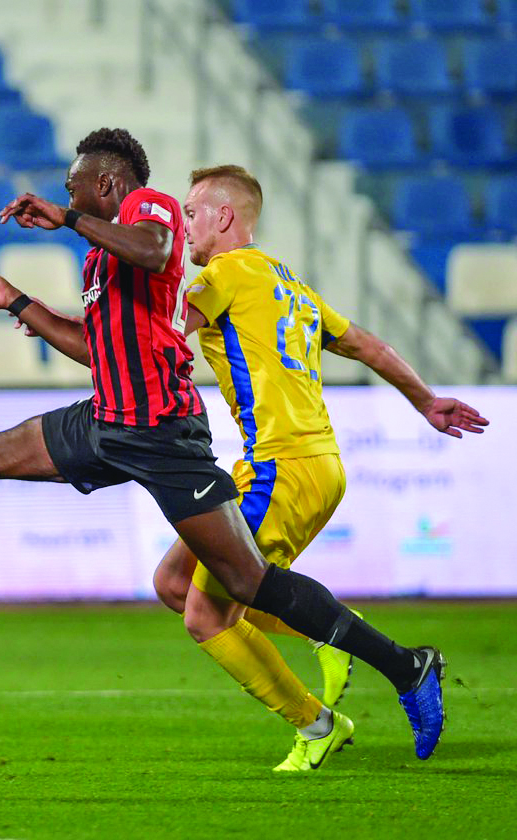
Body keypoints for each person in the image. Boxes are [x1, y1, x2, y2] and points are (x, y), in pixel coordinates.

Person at [0, 129, 448, 761]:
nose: (66, 193)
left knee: (240, 585)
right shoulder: (100, 259)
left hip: (163, 432)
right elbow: (98, 349)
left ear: (108, 184)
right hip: (106, 420)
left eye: (74, 183)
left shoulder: (150, 209)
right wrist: (19, 302)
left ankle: (401, 667)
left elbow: (157, 251)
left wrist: (66, 220)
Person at [141, 165, 486, 770]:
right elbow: (367, 345)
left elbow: (154, 338)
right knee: (174, 583)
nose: (185, 224)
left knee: (206, 613)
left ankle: (344, 705)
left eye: (192, 211)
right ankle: (330, 628)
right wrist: (426, 400)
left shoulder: (220, 277)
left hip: (280, 469)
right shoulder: (288, 282)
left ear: (225, 217)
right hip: (316, 464)